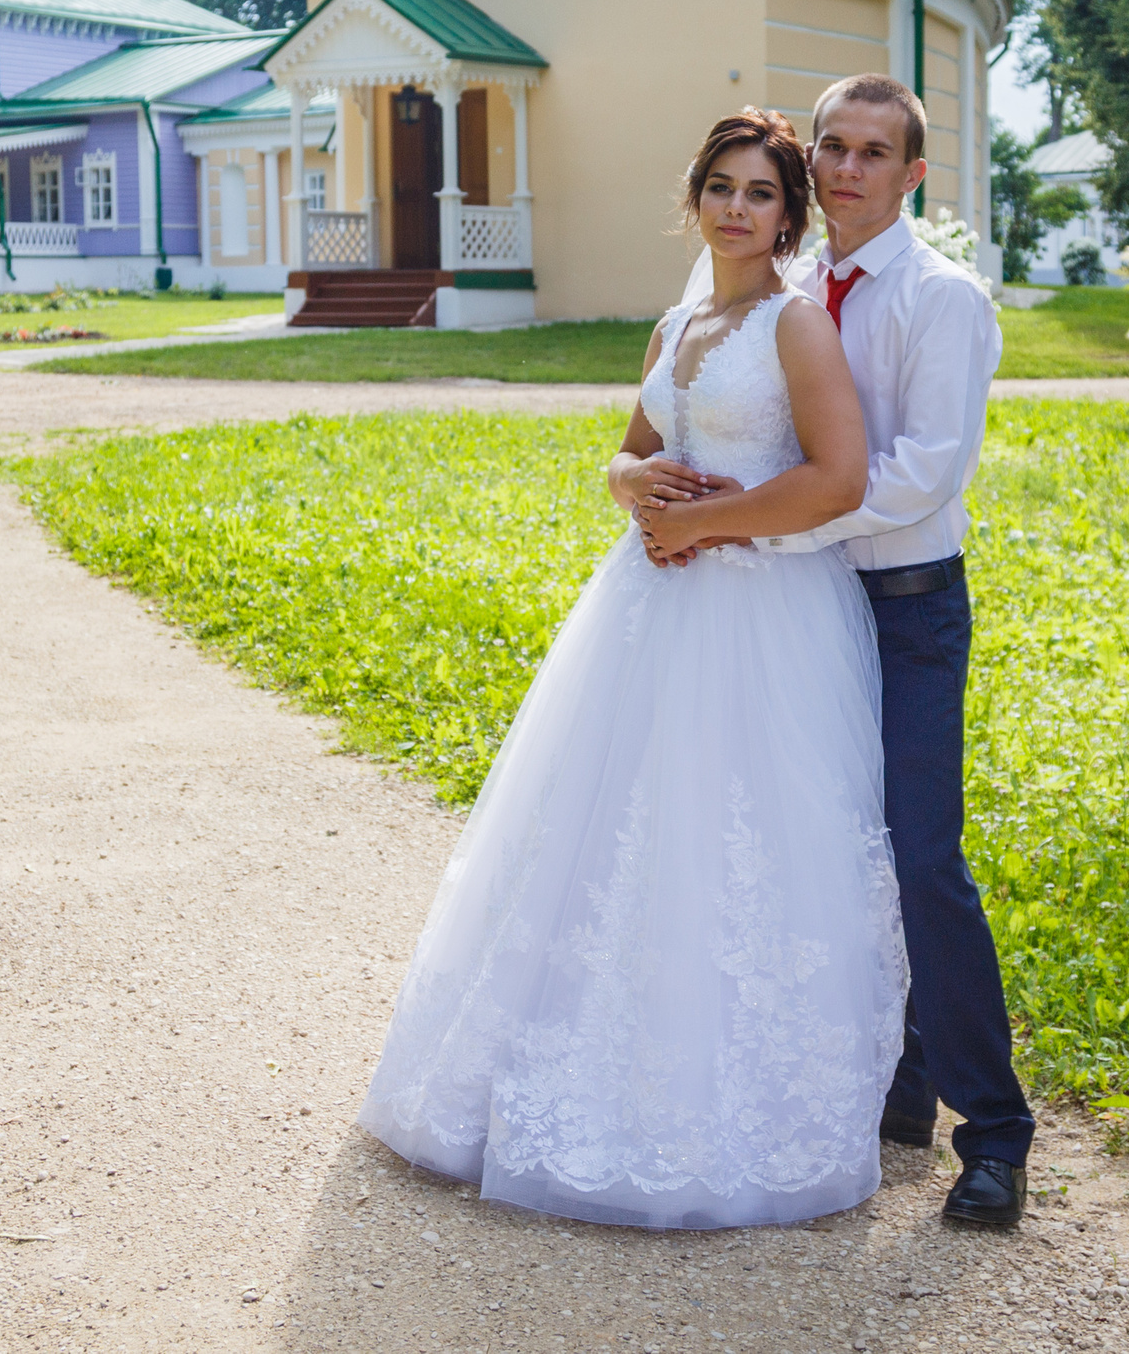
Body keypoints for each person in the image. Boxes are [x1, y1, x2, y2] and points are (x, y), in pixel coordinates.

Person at [357, 108, 908, 1229]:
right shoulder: (675, 322)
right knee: (603, 829)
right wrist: (625, 488)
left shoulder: (795, 328)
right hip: (645, 608)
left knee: (727, 835)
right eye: (720, 186)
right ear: (694, 196)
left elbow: (838, 480)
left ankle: (722, 1109)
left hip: (757, 617)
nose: (736, 208)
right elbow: (638, 449)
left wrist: (708, 527)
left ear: (787, 215)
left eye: (760, 193)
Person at [665, 73, 1035, 1227]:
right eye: (832, 147)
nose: (846, 170)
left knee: (923, 858)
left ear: (913, 174)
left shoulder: (941, 298)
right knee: (824, 845)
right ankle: (896, 1085)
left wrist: (753, 518)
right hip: (800, 607)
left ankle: (995, 1134)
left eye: (875, 152)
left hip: (906, 602)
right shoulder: (775, 285)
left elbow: (924, 472)